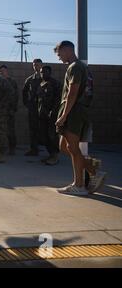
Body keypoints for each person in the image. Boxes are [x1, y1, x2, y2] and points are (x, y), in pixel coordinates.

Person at [54, 41, 106, 196]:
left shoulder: (75, 67)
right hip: (78, 110)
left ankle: (80, 184)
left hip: (74, 111)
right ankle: (92, 169)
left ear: (68, 50)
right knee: (66, 147)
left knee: (73, 149)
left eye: (59, 53)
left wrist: (64, 115)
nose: (59, 58)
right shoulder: (83, 67)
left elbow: (73, 92)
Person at [37, 65, 61, 166]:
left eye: (45, 72)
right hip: (42, 114)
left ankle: (55, 156)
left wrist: (53, 111)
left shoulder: (55, 84)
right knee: (44, 135)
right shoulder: (41, 83)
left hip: (52, 115)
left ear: (49, 73)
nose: (43, 74)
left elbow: (59, 99)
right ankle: (50, 154)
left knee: (52, 136)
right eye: (41, 72)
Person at [23, 59, 43, 156]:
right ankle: (34, 149)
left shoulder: (46, 78)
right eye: (34, 65)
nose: (36, 66)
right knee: (33, 129)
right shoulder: (30, 79)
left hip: (45, 109)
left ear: (41, 65)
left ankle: (52, 153)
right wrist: (27, 104)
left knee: (47, 130)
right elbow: (24, 92)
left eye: (38, 65)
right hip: (33, 108)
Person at [0, 65, 18, 155]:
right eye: (0, 71)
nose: (1, 72)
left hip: (9, 110)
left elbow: (15, 97)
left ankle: (12, 148)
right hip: (0, 110)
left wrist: (12, 109)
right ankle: (3, 148)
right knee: (1, 130)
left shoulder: (12, 82)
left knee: (10, 130)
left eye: (3, 71)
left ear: (7, 71)